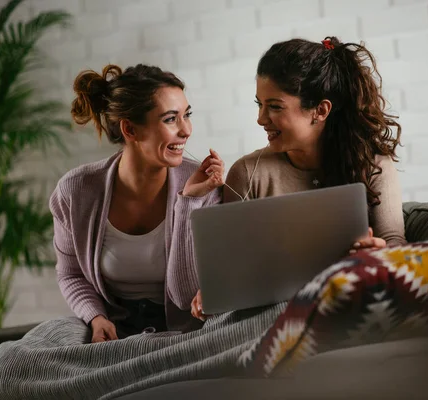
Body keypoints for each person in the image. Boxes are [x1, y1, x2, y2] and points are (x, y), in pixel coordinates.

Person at [191, 36, 406, 321]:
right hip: (270, 320)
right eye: (259, 104)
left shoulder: (374, 165)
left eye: (275, 106)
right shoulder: (246, 173)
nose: (260, 118)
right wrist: (214, 291)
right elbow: (233, 268)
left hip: (347, 308)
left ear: (320, 110)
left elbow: (395, 242)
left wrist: (382, 252)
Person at [50, 63, 224, 342]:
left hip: (186, 335)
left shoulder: (203, 185)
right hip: (112, 331)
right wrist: (96, 318)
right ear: (130, 129)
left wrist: (189, 201)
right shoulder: (75, 191)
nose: (186, 130)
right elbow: (70, 274)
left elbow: (186, 296)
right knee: (12, 363)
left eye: (187, 115)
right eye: (171, 119)